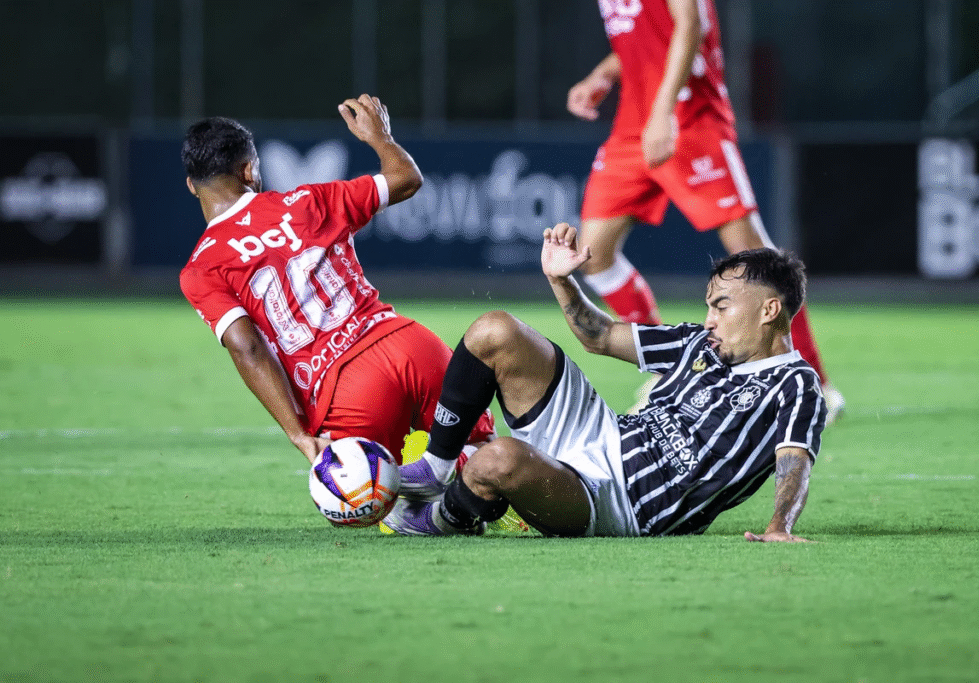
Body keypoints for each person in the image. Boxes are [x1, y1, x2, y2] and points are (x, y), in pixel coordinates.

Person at [383, 223, 826, 540]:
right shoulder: (700, 342)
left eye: (722, 307)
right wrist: (562, 280)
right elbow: (600, 336)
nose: (709, 319)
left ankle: (444, 518)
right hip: (604, 431)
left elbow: (794, 459)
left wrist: (778, 527)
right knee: (494, 330)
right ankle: (437, 470)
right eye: (709, 306)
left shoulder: (795, 383)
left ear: (769, 311)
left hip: (623, 503)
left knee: (497, 462)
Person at [179, 94, 494, 467]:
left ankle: (417, 497)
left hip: (345, 388)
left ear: (191, 186)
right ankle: (478, 492)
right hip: (408, 344)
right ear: (249, 170)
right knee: (484, 454)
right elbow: (406, 179)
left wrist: (298, 433)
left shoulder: (201, 268)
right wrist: (380, 137)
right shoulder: (309, 199)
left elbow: (246, 346)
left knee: (365, 497)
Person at [566, 0, 843, 423]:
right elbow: (643, 41)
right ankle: (668, 373)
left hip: (691, 122)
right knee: (592, 252)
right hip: (631, 128)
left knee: (754, 256)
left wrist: (663, 114)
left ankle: (814, 383)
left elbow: (689, 24)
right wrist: (602, 74)